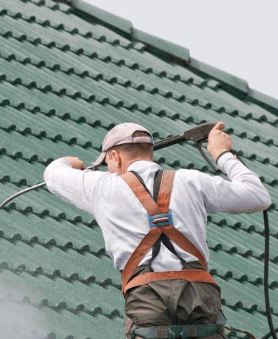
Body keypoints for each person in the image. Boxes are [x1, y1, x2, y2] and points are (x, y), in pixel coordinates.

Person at [43, 122, 271, 338]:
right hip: (199, 295)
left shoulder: (101, 186)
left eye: (108, 164)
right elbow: (258, 197)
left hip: (146, 299)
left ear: (115, 156)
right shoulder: (192, 180)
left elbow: (53, 173)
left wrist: (73, 161)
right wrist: (222, 154)